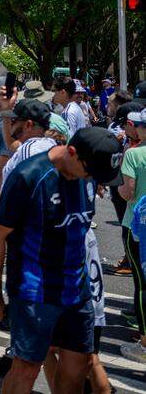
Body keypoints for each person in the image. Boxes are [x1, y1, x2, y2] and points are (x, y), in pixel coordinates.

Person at [0, 126, 123, 393]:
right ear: (72, 153)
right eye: (92, 171)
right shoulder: (29, 177)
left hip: (77, 290)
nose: (94, 179)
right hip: (34, 291)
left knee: (79, 366)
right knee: (26, 367)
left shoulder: (88, 176)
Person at [118, 131, 146, 362]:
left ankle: (144, 344)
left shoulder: (134, 154)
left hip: (137, 225)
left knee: (142, 284)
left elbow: (128, 191)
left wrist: (116, 188)